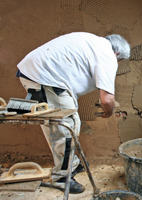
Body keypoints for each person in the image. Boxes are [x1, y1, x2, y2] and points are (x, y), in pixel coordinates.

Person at [16, 32, 130, 193]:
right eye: (119, 60)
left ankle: (71, 164)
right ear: (117, 53)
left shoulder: (94, 43)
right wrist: (108, 112)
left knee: (69, 123)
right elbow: (107, 100)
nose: (117, 62)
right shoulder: (107, 54)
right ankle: (62, 178)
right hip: (45, 77)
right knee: (65, 127)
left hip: (41, 73)